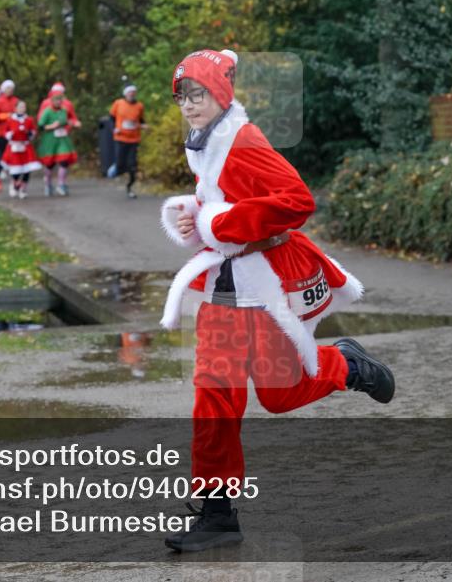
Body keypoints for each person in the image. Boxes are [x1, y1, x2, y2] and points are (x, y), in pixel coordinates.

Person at [159, 49, 395, 552]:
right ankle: (218, 515)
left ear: (220, 94)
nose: (189, 105)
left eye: (198, 94)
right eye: (182, 96)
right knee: (213, 401)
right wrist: (196, 214)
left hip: (261, 290)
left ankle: (345, 365)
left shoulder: (243, 138)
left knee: (279, 393)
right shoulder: (204, 141)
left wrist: (216, 224)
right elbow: (225, 196)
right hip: (222, 293)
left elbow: (296, 201)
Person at [108, 83, 147, 198]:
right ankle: (116, 167)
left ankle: (130, 187)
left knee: (132, 165)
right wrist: (113, 129)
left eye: (133, 92)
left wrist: (144, 126)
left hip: (134, 139)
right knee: (121, 164)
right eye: (129, 92)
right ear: (125, 94)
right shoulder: (118, 103)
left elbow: (141, 120)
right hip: (121, 138)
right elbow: (111, 118)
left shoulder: (139, 106)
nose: (131, 94)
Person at [37, 91, 78, 196]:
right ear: (52, 100)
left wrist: (73, 123)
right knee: (50, 164)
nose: (59, 102)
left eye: (60, 100)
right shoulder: (47, 111)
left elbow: (67, 121)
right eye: (57, 99)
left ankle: (61, 184)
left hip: (62, 139)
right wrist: (51, 126)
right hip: (50, 140)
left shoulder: (64, 111)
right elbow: (41, 125)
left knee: (64, 161)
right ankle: (48, 184)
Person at [0, 100, 42, 199]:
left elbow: (33, 130)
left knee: (28, 169)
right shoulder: (10, 120)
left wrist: (30, 134)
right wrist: (11, 134)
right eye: (20, 107)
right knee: (15, 170)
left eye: (24, 107)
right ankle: (15, 184)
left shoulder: (29, 120)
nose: (22, 109)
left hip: (26, 146)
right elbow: (5, 132)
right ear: (15, 109)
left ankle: (23, 188)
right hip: (14, 147)